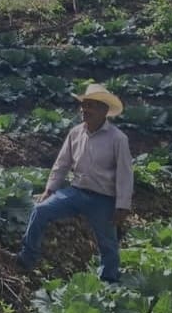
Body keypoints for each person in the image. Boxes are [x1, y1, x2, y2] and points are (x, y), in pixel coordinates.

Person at [16, 83, 133, 282]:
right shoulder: (76, 133)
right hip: (76, 192)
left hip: (103, 199)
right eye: (83, 105)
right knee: (40, 210)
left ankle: (109, 280)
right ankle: (27, 258)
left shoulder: (118, 139)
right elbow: (62, 163)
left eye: (91, 106)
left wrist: (122, 205)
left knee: (108, 243)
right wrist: (50, 189)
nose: (84, 110)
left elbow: (125, 174)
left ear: (104, 110)